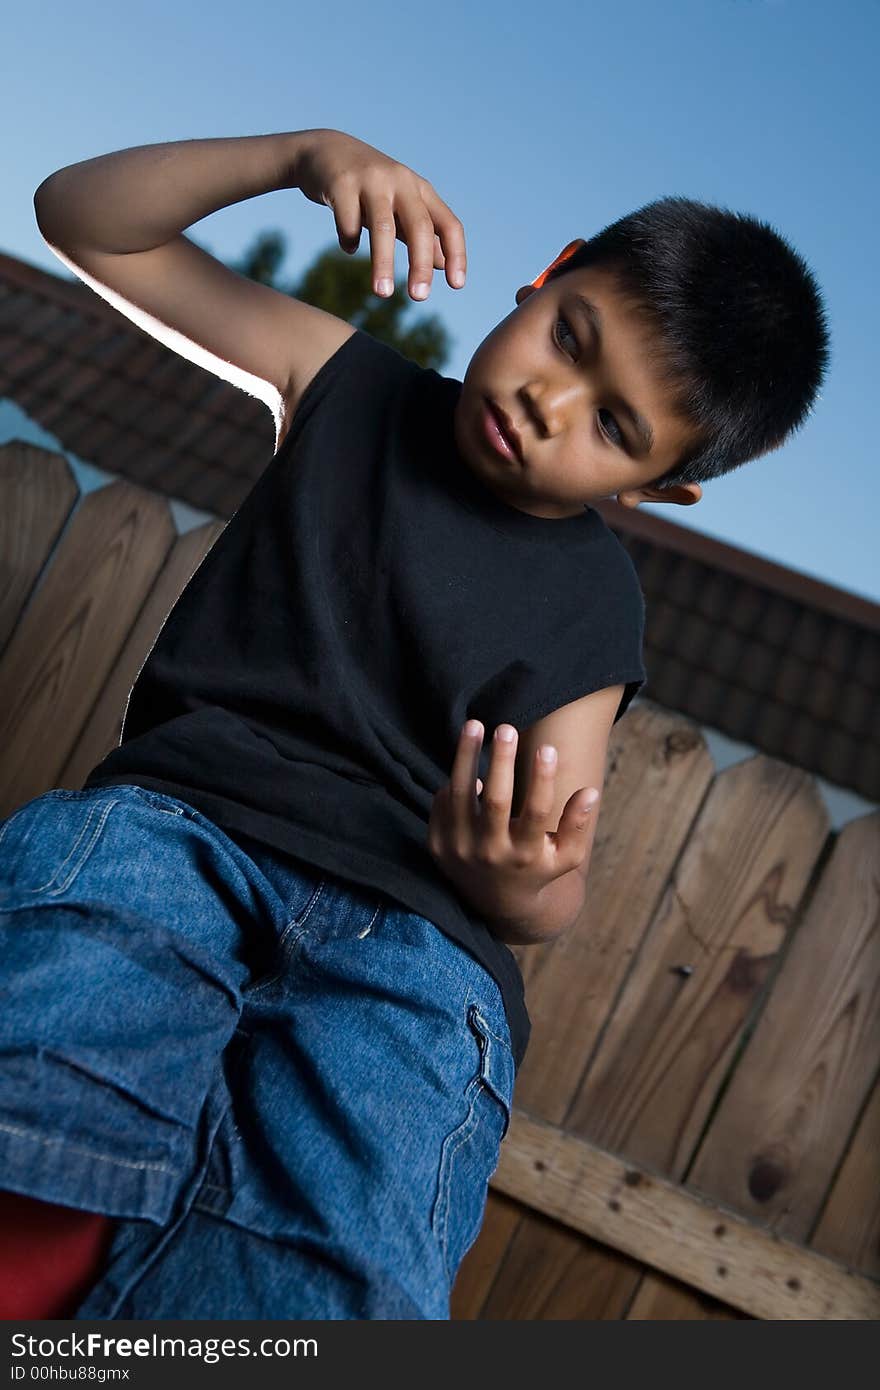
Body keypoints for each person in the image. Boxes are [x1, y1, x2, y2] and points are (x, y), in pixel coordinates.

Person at [1, 130, 830, 1319]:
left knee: (350, 1224)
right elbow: (81, 215)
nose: (549, 403)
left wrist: (520, 878)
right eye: (568, 340)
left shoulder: (599, 608)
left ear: (656, 490)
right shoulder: (342, 382)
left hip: (413, 935)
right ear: (545, 274)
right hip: (183, 831)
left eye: (613, 427)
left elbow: (553, 886)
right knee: (67, 999)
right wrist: (300, 155)